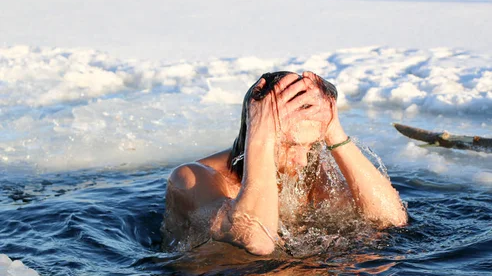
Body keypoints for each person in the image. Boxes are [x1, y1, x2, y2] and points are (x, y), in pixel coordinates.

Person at [162, 71, 407, 255]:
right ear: (257, 132)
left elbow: (390, 219)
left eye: (311, 146)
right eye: (290, 146)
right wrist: (261, 134)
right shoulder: (192, 177)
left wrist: (334, 133)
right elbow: (258, 241)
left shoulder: (308, 169)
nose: (301, 160)